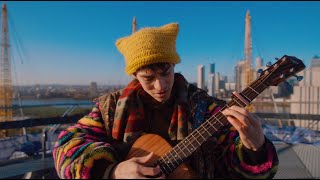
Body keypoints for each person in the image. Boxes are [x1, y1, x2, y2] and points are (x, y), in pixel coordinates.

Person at [53, 22, 279, 179]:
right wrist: (113, 171)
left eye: (166, 73)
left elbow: (236, 168)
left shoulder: (207, 110)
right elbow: (66, 146)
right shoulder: (109, 109)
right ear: (134, 76)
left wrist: (255, 149)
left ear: (175, 66)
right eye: (148, 78)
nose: (160, 86)